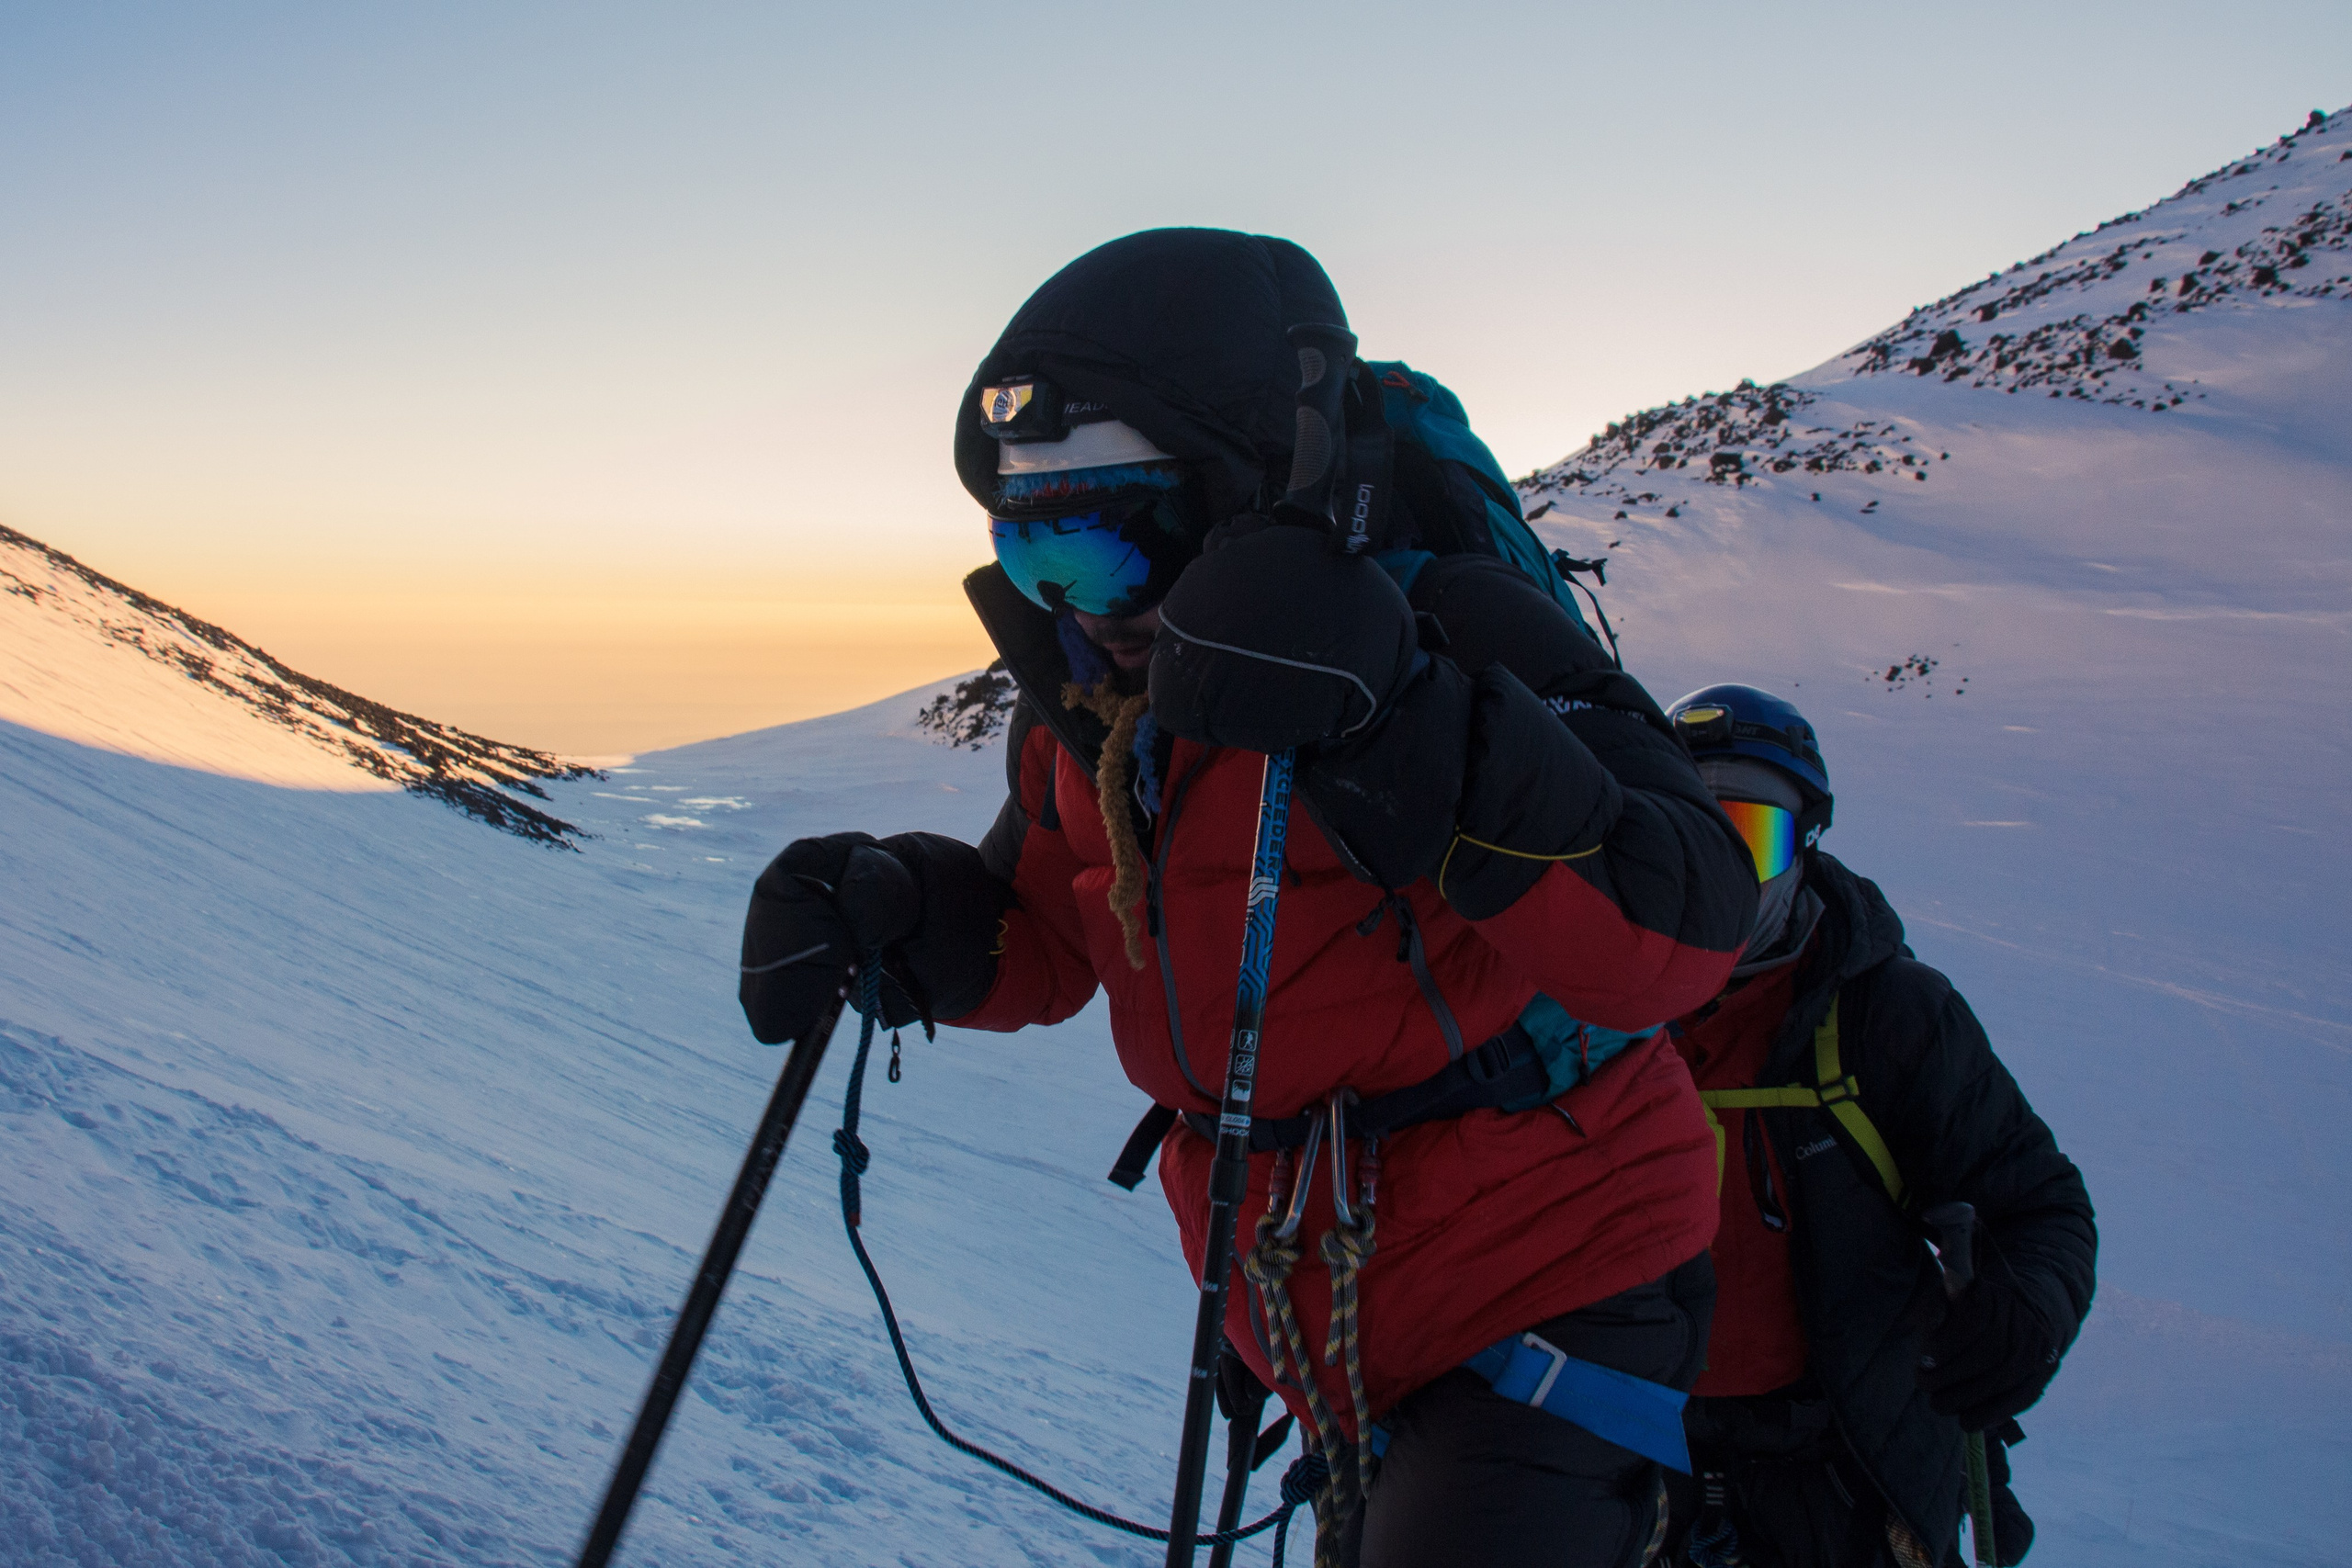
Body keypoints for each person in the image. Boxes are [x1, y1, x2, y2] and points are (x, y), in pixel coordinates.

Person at [736, 229, 1761, 1566]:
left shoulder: (1448, 620)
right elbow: (1050, 940)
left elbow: (1677, 932)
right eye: (1037, 557)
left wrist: (1400, 718)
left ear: (1237, 492)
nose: (1079, 607)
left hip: (1559, 1271)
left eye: (1114, 544)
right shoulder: (1095, 709)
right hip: (1316, 1303)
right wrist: (893, 913)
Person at [1656, 684, 2097, 1567]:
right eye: (1689, 833)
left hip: (1852, 1472)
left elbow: (2039, 1204)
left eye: (1750, 836)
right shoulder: (1586, 1013)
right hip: (1634, 1463)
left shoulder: (1889, 1017)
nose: (1720, 871)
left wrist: (2024, 1314)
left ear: (1804, 842)